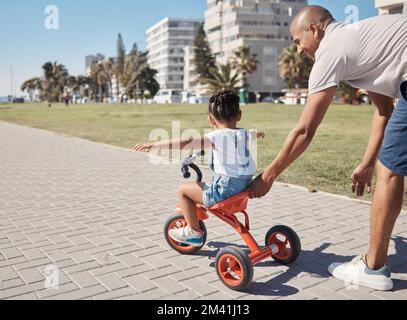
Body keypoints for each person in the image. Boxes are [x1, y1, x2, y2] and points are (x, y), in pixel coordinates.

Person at [249, 5, 407, 291]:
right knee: (387, 165)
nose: (298, 50)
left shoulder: (330, 50)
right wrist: (367, 162)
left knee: (391, 171)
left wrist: (268, 176)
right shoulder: (361, 42)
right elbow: (384, 110)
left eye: (298, 41)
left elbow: (305, 131)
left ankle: (373, 267)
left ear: (314, 29)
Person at [134, 90, 265, 246]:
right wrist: (259, 133)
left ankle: (194, 233)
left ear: (211, 119)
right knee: (201, 186)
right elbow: (254, 133)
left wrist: (154, 144)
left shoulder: (217, 136)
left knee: (183, 191)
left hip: (225, 192)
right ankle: (194, 226)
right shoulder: (244, 133)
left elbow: (186, 141)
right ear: (239, 115)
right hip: (243, 188)